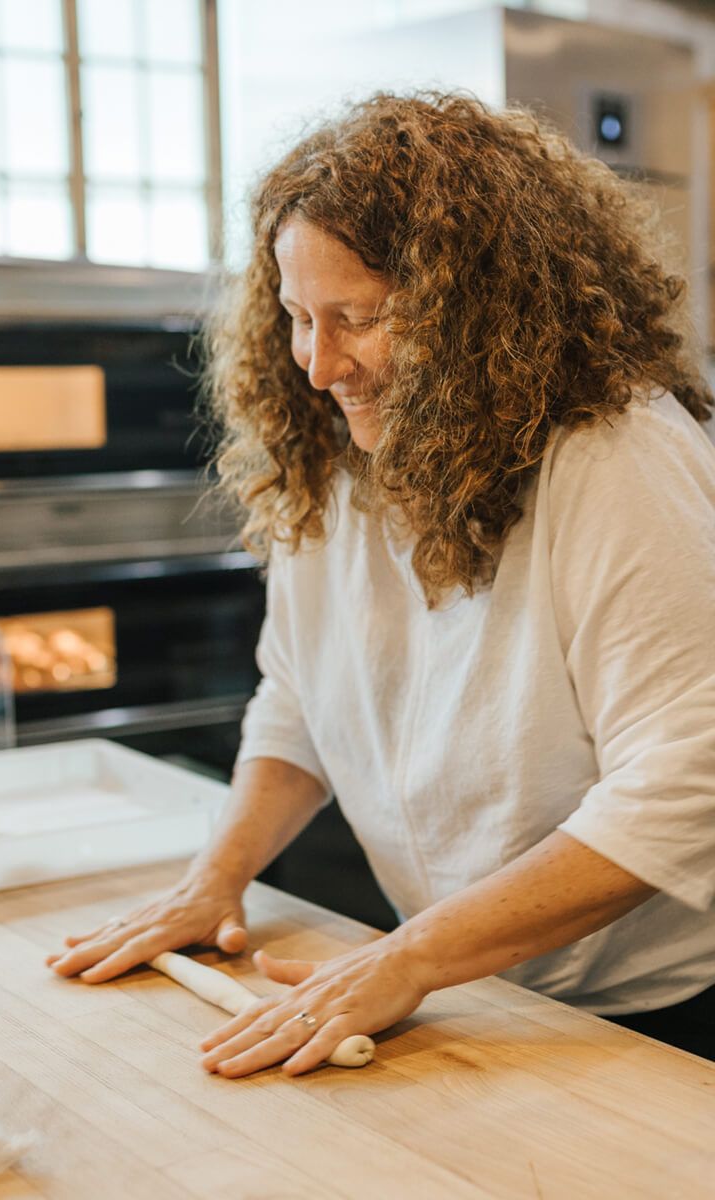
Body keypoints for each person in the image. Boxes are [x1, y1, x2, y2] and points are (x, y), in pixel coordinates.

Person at [48, 91, 715, 1074]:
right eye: (293, 318)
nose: (317, 367)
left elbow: (683, 782)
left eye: (356, 319)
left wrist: (411, 955)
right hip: (472, 989)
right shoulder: (336, 461)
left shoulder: (611, 457)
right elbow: (298, 705)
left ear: (473, 314)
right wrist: (212, 880)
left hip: (650, 1016)